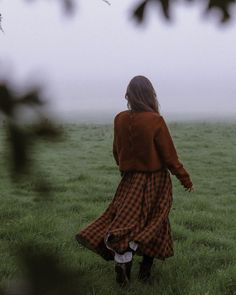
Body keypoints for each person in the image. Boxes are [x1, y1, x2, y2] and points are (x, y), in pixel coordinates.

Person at [76, 75, 193, 286]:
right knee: (156, 222)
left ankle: (124, 265)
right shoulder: (155, 120)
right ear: (150, 95)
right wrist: (185, 179)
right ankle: (144, 272)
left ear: (129, 95)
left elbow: (116, 151)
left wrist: (126, 170)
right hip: (156, 180)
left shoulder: (119, 118)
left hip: (130, 179)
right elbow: (169, 156)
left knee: (125, 222)